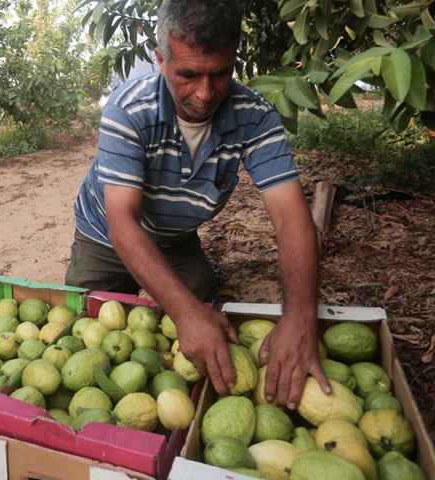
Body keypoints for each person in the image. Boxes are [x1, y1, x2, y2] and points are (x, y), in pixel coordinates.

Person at [65, 0, 331, 409]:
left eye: (220, 74)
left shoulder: (254, 117)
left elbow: (291, 216)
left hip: (175, 237)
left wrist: (300, 317)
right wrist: (186, 315)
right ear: (160, 59)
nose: (205, 94)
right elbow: (123, 221)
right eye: (188, 75)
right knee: (84, 327)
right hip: (105, 235)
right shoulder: (128, 110)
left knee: (198, 298)